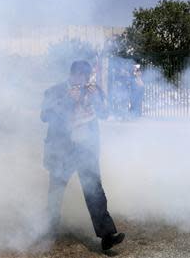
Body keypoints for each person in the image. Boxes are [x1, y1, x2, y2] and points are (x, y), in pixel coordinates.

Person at [40, 60, 125, 251]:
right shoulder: (55, 91)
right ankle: (49, 230)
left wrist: (97, 99)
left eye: (85, 75)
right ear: (71, 74)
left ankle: (107, 235)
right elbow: (45, 115)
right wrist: (68, 100)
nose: (81, 79)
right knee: (56, 192)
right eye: (78, 74)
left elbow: (105, 113)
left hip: (86, 149)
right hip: (62, 150)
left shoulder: (93, 90)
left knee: (94, 191)